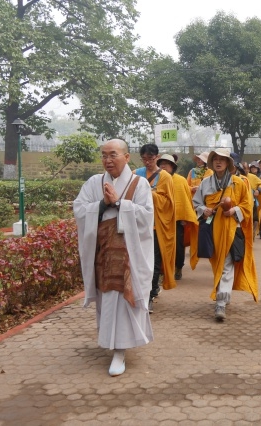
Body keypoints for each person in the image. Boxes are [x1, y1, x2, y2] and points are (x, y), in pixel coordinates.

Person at [73, 139, 154, 377]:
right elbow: (79, 209)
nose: (108, 160)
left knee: (125, 298)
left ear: (127, 157)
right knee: (108, 298)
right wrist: (101, 204)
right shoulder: (94, 183)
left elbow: (147, 216)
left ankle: (120, 350)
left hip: (129, 253)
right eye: (104, 155)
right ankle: (112, 342)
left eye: (113, 155)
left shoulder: (140, 184)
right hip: (104, 252)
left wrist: (119, 202)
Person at [190, 148, 258, 321]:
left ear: (228, 163)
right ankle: (223, 293)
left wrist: (234, 210)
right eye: (215, 159)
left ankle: (220, 303)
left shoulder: (238, 183)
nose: (218, 162)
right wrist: (203, 210)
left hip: (230, 230)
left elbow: (247, 205)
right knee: (217, 265)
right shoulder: (205, 183)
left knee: (227, 265)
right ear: (211, 163)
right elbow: (196, 203)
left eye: (222, 159)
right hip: (212, 230)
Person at [134, 144, 175, 311]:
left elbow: (168, 202)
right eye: (144, 159)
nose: (147, 162)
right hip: (139, 225)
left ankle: (150, 295)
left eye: (150, 159)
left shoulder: (165, 177)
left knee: (154, 262)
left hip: (156, 227)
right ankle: (140, 294)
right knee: (138, 262)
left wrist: (148, 192)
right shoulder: (136, 174)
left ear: (157, 157)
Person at [157, 154, 198, 281]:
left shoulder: (180, 180)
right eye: (161, 164)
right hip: (159, 220)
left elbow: (186, 200)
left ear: (172, 166)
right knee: (159, 246)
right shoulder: (155, 179)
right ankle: (161, 272)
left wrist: (185, 217)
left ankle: (178, 267)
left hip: (177, 220)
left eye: (166, 164)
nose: (163, 166)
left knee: (178, 248)